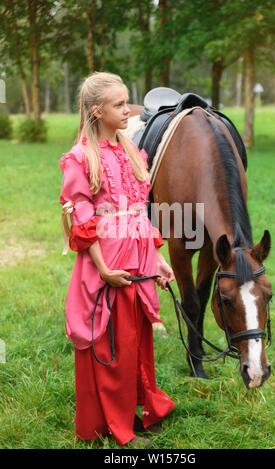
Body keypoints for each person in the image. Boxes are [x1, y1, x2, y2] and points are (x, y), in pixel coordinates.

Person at [59, 71, 175, 447]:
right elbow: (81, 218)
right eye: (119, 104)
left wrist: (156, 258)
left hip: (138, 258)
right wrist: (104, 269)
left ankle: (142, 407)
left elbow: (139, 211)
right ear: (96, 111)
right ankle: (111, 420)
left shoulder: (129, 150)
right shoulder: (81, 158)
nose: (129, 109)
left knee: (137, 339)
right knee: (113, 341)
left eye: (128, 101)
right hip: (107, 263)